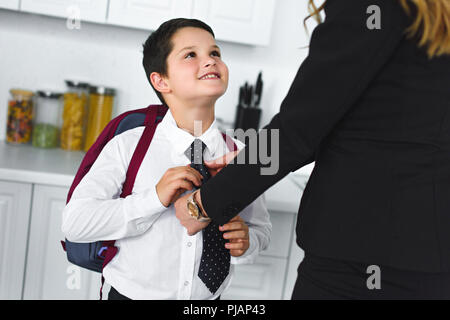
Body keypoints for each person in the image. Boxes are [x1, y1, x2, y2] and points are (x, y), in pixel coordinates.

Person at [174, 0, 450, 299]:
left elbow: (299, 129)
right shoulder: (433, 14)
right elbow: (384, 123)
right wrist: (249, 158)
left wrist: (202, 205)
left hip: (359, 248)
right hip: (430, 254)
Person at [61, 18, 271, 300]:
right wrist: (153, 199)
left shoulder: (242, 155)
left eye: (215, 53)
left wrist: (247, 242)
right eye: (190, 55)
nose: (209, 61)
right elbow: (75, 223)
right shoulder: (128, 146)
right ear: (161, 81)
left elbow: (261, 229)